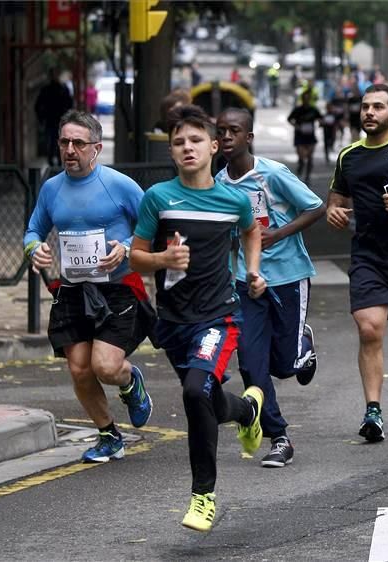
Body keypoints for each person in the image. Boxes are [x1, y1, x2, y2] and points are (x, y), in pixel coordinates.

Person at [129, 104, 266, 532]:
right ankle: (245, 411)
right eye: (178, 142)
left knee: (194, 393)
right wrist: (162, 258)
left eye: (194, 140)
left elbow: (251, 229)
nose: (187, 148)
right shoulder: (158, 198)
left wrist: (253, 269)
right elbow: (135, 256)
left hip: (218, 317)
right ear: (171, 152)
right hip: (172, 320)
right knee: (204, 396)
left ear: (213, 146)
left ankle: (202, 496)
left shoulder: (233, 199)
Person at [23, 110, 154, 464]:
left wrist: (126, 247)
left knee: (105, 367)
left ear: (96, 148)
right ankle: (109, 435)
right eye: (64, 142)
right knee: (79, 368)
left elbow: (151, 225)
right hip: (74, 288)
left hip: (118, 286)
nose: (69, 149)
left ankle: (129, 381)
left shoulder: (120, 185)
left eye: (78, 143)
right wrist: (35, 249)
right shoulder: (51, 188)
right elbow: (33, 230)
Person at [215, 107, 326, 468]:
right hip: (246, 283)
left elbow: (315, 208)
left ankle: (303, 345)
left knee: (284, 366)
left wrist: (276, 234)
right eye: (222, 131)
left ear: (249, 137)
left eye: (235, 130)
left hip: (288, 277)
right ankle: (280, 437)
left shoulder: (272, 174)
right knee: (250, 361)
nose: (228, 137)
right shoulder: (217, 184)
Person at [326, 84, 388, 443]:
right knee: (369, 328)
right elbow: (337, 196)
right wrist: (334, 210)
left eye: (378, 107)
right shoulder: (349, 155)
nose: (369, 112)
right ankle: (373, 411)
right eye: (366, 107)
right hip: (367, 254)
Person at [35, 69, 74, 167]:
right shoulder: (60, 89)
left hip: (55, 120)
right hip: (55, 120)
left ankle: (54, 161)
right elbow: (70, 104)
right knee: (57, 141)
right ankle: (55, 161)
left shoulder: (56, 89)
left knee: (55, 141)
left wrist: (41, 118)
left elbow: (70, 104)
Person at [287, 89, 321, 183]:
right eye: (304, 98)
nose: (306, 100)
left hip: (310, 136)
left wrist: (320, 123)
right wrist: (296, 126)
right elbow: (289, 119)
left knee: (310, 157)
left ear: (309, 99)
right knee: (302, 157)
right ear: (302, 99)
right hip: (300, 136)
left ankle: (307, 177)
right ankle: (301, 166)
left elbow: (320, 118)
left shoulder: (313, 109)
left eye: (308, 98)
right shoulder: (298, 109)